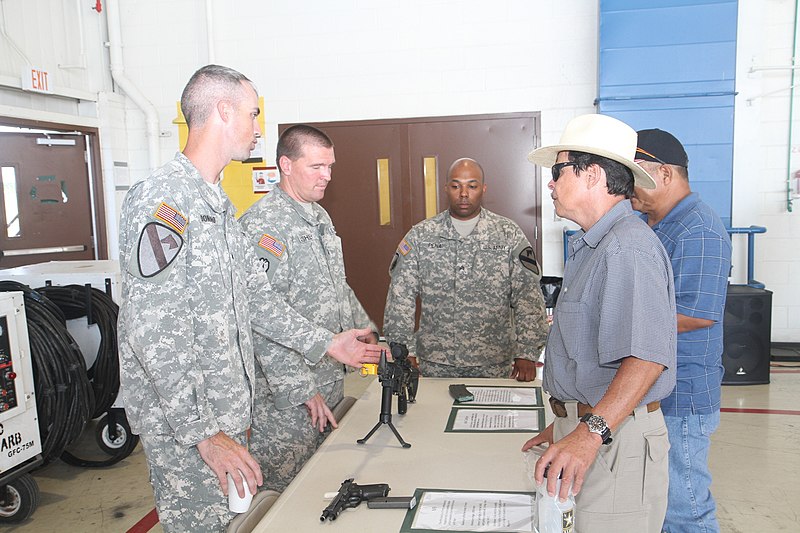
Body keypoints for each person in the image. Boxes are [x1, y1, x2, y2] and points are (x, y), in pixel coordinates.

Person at [117, 65, 380, 532]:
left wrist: (327, 343)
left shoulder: (218, 205)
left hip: (225, 415)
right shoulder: (164, 202)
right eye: (252, 114)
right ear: (222, 111)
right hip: (188, 429)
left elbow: (258, 301)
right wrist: (204, 433)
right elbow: (151, 333)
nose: (258, 128)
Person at [522, 114, 677, 533]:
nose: (550, 184)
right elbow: (589, 358)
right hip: (597, 427)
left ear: (592, 175)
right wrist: (566, 422)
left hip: (613, 442)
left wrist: (587, 434)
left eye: (558, 172)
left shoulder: (627, 249)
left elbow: (646, 360)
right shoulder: (593, 246)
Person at [239, 124, 378, 491]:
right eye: (317, 167)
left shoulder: (318, 217)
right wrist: (301, 389)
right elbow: (261, 317)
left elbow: (338, 288)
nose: (327, 176)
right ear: (286, 165)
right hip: (287, 399)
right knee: (288, 492)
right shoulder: (263, 226)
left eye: (330, 166)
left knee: (322, 486)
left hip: (328, 375)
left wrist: (367, 333)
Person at [632, 129, 731, 533]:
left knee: (685, 505)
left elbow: (696, 313)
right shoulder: (652, 223)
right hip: (655, 385)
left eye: (635, 175)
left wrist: (620, 321)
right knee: (659, 500)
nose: (627, 186)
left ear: (666, 174)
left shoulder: (698, 230)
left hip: (683, 393)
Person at [382, 157, 548, 380]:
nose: (463, 193)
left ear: (483, 189)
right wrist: (404, 353)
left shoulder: (508, 234)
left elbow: (528, 296)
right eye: (455, 186)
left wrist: (527, 352)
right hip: (435, 362)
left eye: (472, 186)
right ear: (446, 189)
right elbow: (400, 298)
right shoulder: (422, 235)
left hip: (493, 361)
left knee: (490, 415)